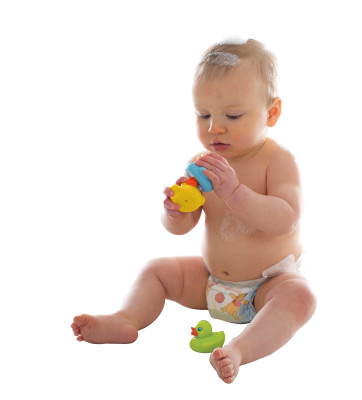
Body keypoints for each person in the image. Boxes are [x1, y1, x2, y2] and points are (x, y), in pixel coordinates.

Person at [71, 38, 317, 384]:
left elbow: (286, 218)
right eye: (204, 115)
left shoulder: (277, 161)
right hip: (211, 281)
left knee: (300, 296)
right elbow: (184, 226)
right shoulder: (202, 165)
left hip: (268, 284)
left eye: (233, 115)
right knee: (156, 270)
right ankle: (127, 319)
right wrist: (174, 213)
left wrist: (235, 193)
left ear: (272, 113)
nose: (215, 127)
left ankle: (239, 350)